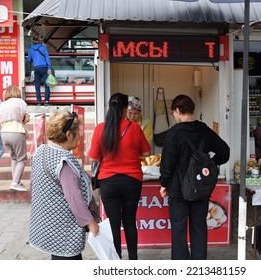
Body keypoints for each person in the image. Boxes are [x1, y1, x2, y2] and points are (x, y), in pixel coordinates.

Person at [159, 94, 230, 260]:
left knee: (179, 229)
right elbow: (224, 151)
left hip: (178, 190)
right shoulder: (204, 130)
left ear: (177, 111)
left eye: (174, 113)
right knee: (199, 227)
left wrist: (164, 183)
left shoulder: (174, 133)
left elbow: (167, 163)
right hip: (200, 188)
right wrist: (210, 165)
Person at [29, 111, 99, 260]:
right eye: (78, 132)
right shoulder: (64, 161)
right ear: (68, 135)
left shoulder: (42, 150)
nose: (80, 136)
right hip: (64, 230)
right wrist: (90, 222)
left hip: (48, 223)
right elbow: (75, 199)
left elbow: (34, 185)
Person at [89, 92, 150, 260]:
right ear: (125, 109)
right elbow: (146, 151)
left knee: (113, 223)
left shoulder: (101, 128)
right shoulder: (134, 127)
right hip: (132, 181)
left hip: (109, 182)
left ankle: (117, 260)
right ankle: (133, 259)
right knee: (130, 220)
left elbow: (93, 158)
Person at [0, 85, 30, 191]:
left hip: (4, 133)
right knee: (22, 159)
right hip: (16, 131)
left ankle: (16, 181)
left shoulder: (2, 104)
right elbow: (25, 119)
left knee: (14, 158)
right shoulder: (21, 102)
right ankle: (15, 183)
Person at [26, 37, 52, 106]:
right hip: (44, 68)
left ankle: (39, 101)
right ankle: (46, 101)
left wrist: (33, 59)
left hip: (36, 68)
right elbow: (47, 57)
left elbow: (29, 60)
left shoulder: (31, 49)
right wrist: (49, 67)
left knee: (37, 86)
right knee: (47, 85)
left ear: (33, 41)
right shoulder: (43, 47)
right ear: (39, 41)